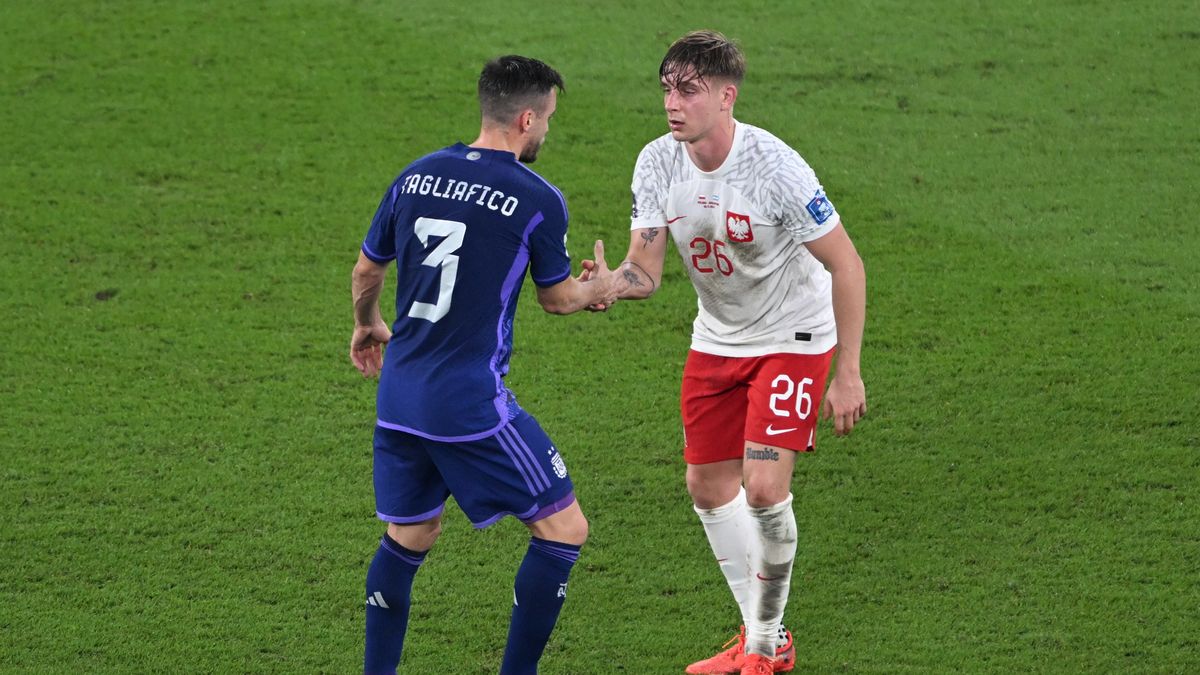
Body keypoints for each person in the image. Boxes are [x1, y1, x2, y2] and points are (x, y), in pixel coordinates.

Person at [592, 30, 868, 675]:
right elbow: (646, 269)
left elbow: (847, 266)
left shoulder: (776, 169)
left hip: (794, 336)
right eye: (666, 88)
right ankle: (757, 636)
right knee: (708, 486)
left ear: (725, 96)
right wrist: (607, 286)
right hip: (717, 336)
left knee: (764, 487)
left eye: (687, 90)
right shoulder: (657, 161)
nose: (673, 102)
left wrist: (846, 370)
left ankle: (767, 651)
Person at [349, 55, 621, 674]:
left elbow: (368, 269)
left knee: (410, 536)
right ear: (528, 117)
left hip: (399, 398)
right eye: (548, 118)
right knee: (564, 528)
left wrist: (367, 323)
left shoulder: (415, 176)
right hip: (468, 404)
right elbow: (558, 299)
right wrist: (598, 288)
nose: (547, 130)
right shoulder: (537, 197)